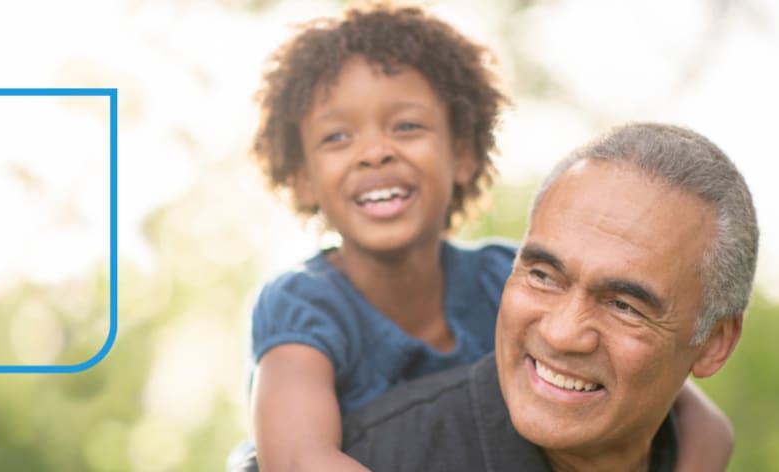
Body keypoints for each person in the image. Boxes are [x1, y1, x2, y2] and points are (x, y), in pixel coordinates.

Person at [238, 4, 735, 471]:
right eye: (337, 137)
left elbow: (709, 427)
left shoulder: (512, 278)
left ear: (463, 154)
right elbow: (302, 461)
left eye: (406, 126)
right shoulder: (302, 306)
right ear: (302, 177)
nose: (374, 153)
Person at [341, 122, 758, 472]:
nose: (561, 334)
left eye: (623, 305)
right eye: (543, 276)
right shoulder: (375, 456)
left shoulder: (701, 448)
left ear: (713, 342)